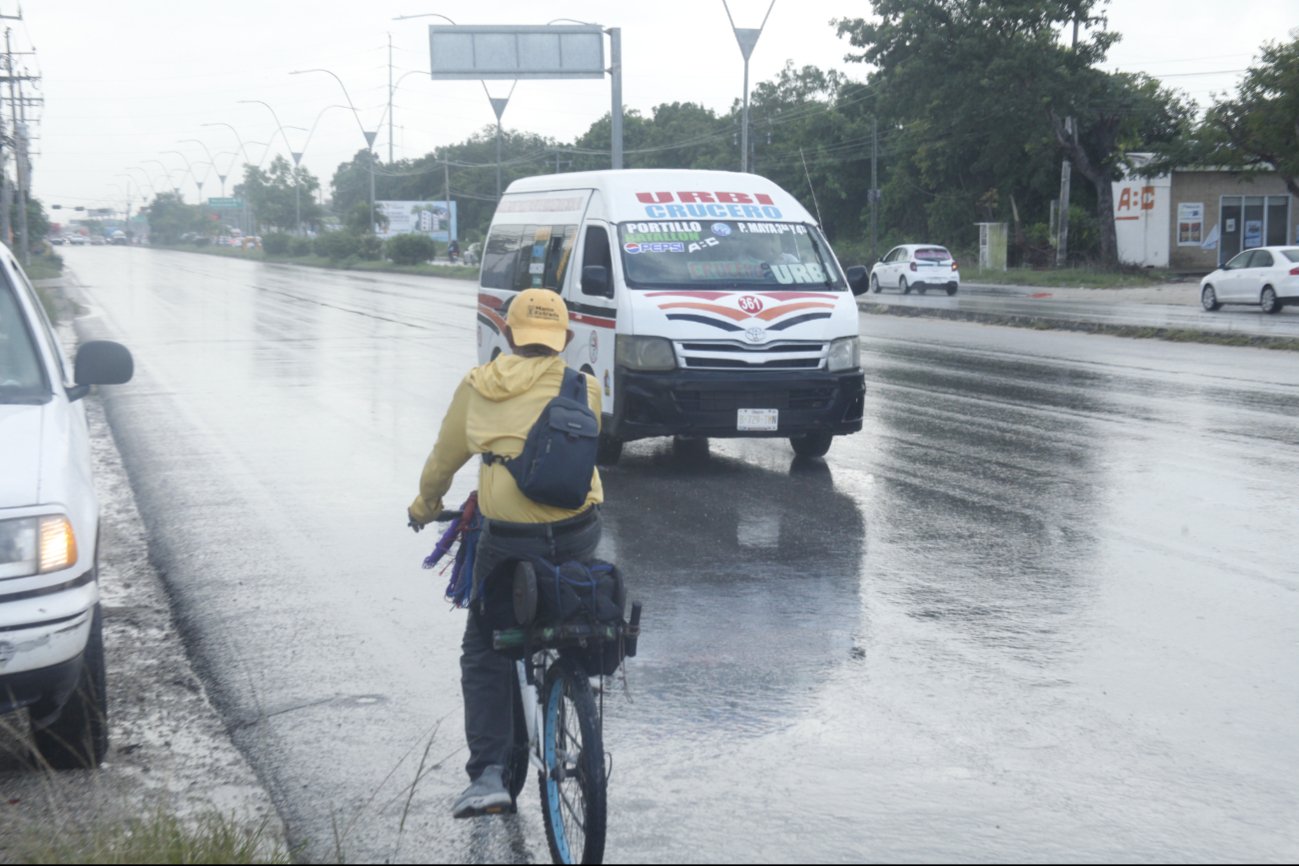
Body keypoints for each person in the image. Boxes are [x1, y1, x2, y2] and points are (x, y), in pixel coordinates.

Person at [407, 288, 604, 819]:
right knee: (575, 607)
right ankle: (575, 687)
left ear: (510, 334)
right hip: (577, 531)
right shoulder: (585, 385)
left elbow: (442, 460)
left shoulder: (478, 387)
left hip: (508, 542)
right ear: (561, 338)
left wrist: (425, 507)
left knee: (485, 645)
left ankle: (490, 774)